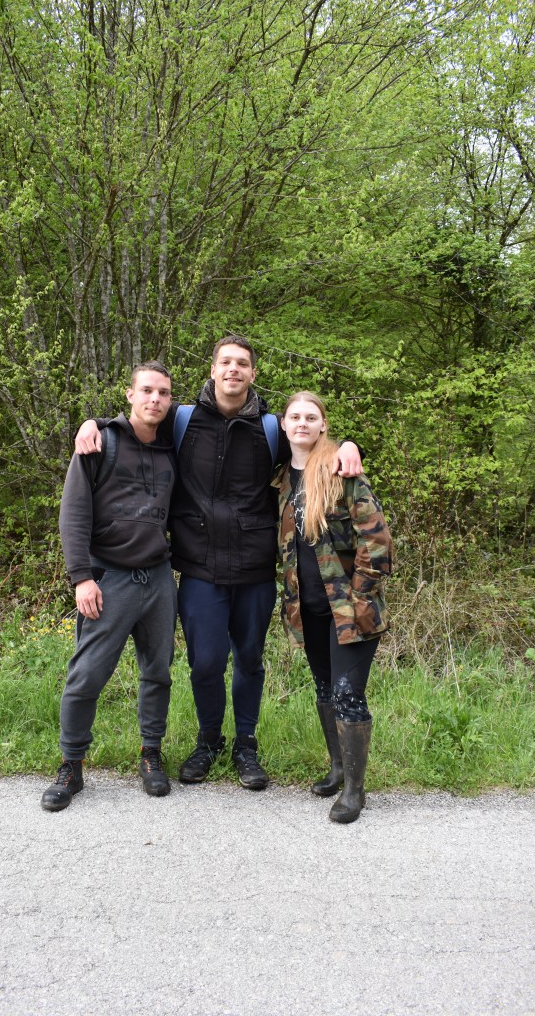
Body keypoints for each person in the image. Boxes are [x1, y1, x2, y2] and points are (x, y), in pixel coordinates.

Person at [74, 337, 363, 790]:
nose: (234, 369)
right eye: (225, 362)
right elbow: (138, 425)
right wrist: (94, 423)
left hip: (254, 571)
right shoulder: (182, 420)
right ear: (212, 370)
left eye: (242, 364)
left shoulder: (271, 428)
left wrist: (345, 443)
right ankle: (208, 740)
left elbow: (311, 444)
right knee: (205, 663)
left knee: (249, 660)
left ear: (252, 373)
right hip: (199, 570)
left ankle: (245, 745)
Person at [41, 361, 178, 811]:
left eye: (163, 393)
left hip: (158, 579)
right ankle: (71, 766)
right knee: (86, 677)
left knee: (157, 672)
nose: (154, 399)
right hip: (108, 580)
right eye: (146, 391)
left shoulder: (173, 444)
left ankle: (150, 754)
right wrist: (80, 577)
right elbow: (73, 514)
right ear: (129, 394)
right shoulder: (100, 443)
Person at [272, 391, 392, 822]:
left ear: (323, 425)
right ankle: (338, 769)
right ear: (283, 425)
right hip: (307, 610)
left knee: (347, 693)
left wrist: (358, 594)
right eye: (294, 417)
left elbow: (376, 544)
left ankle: (355, 792)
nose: (302, 423)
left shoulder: (343, 472)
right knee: (324, 690)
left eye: (311, 417)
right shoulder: (282, 480)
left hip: (351, 611)